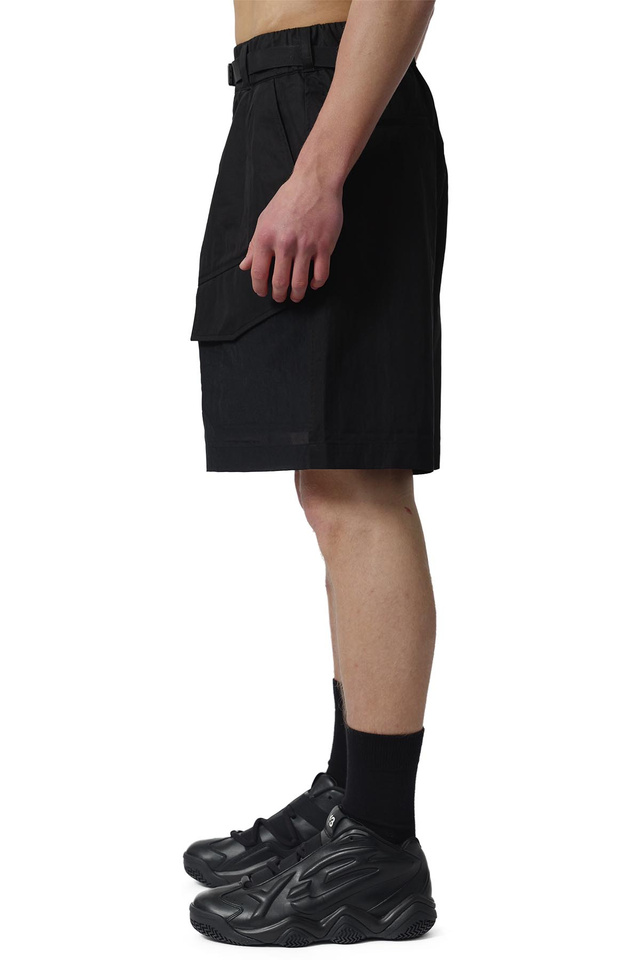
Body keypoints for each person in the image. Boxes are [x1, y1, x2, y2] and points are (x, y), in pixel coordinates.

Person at [185, 0, 447, 945]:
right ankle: (351, 794)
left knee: (357, 488)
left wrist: (322, 165)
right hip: (286, 98)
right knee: (327, 483)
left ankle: (377, 843)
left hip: (331, 103)